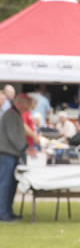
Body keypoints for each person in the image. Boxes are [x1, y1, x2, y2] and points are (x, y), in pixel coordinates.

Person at [0, 93, 33, 221]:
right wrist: (25, 148)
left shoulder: (15, 114)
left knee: (11, 185)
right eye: (26, 105)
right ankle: (3, 213)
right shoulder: (10, 115)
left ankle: (8, 211)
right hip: (7, 155)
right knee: (5, 185)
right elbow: (13, 136)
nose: (28, 108)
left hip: (12, 155)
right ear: (19, 103)